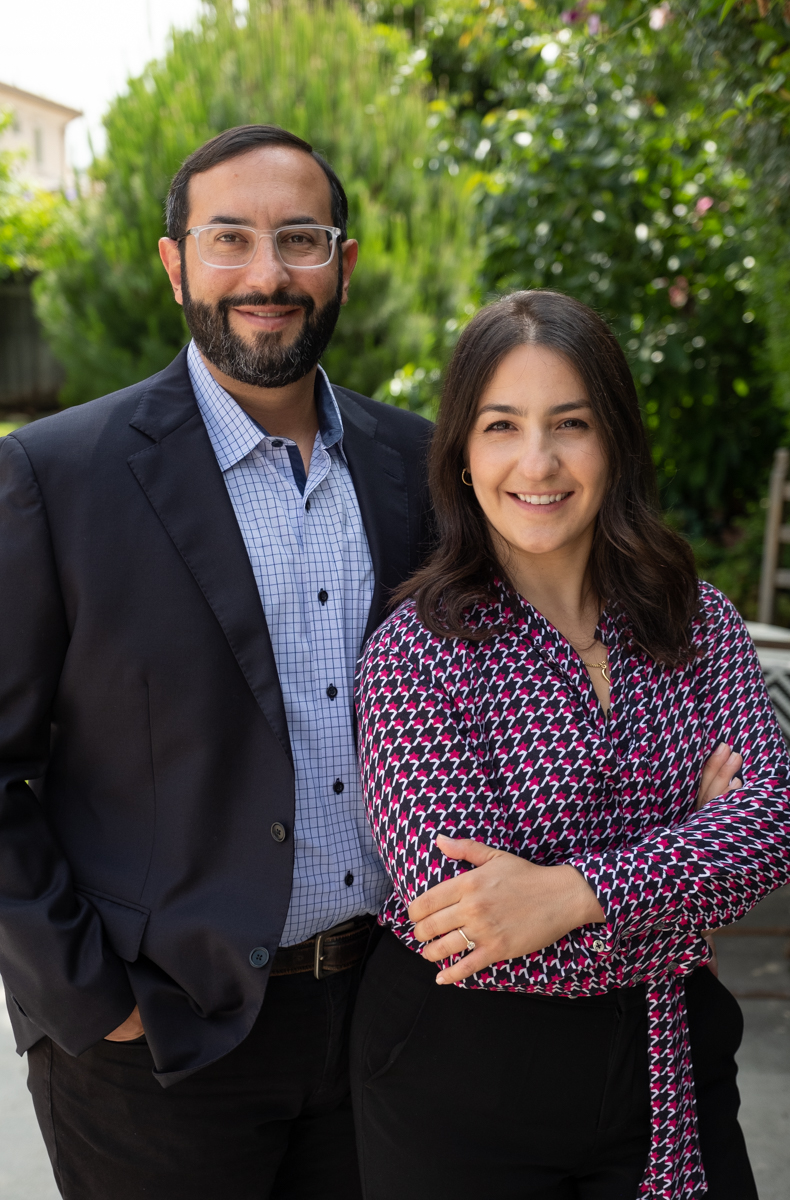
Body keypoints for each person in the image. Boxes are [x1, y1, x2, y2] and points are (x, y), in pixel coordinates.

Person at [0, 124, 433, 1199]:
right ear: (174, 262)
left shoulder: (420, 464)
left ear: (341, 262)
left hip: (390, 1022)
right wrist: (89, 998)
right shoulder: (56, 477)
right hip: (155, 1048)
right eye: (229, 237)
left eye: (301, 238)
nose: (267, 273)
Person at [352, 290, 790, 1199]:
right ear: (463, 454)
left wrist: (568, 892)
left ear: (616, 441)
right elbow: (472, 925)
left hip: (672, 1060)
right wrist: (692, 864)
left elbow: (776, 827)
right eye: (502, 426)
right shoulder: (415, 653)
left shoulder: (696, 620)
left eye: (571, 423)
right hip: (466, 1080)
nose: (539, 461)